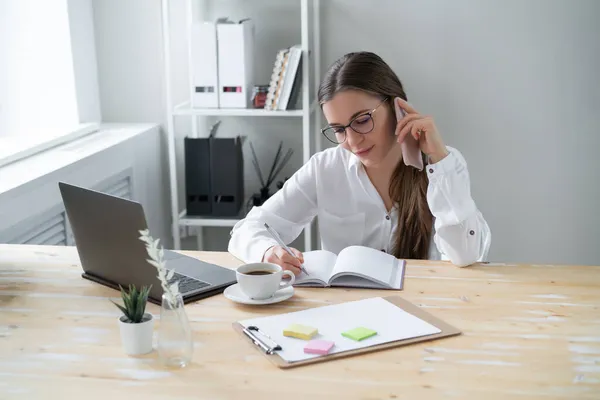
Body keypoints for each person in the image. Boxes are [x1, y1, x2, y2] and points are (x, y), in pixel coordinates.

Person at [228, 51, 491, 274]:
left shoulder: (444, 165)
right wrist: (268, 252)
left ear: (396, 106)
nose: (353, 141)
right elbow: (247, 229)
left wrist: (439, 161)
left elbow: (466, 255)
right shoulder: (325, 168)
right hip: (348, 315)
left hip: (424, 309)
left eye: (362, 120)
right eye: (339, 129)